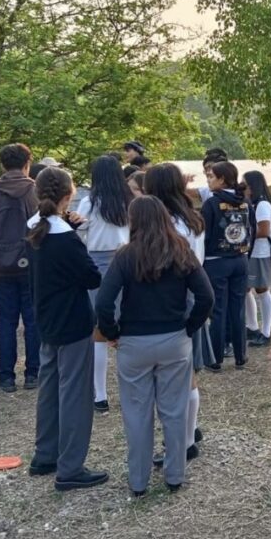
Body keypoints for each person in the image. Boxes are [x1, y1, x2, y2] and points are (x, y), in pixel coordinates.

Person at [95, 196, 214, 497]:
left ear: (134, 221)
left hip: (133, 342)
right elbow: (206, 297)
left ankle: (138, 481)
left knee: (137, 414)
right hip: (175, 340)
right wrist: (189, 327)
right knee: (174, 412)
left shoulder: (125, 256)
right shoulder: (181, 250)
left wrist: (112, 333)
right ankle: (175, 476)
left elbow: (104, 301)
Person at [25, 166, 107, 491]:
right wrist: (74, 233)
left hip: (44, 317)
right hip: (73, 320)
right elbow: (92, 276)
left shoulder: (33, 228)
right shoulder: (65, 238)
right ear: (68, 195)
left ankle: (45, 454)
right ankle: (71, 467)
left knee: (49, 387)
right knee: (74, 392)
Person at [143, 163, 209, 457]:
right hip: (194, 291)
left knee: (180, 376)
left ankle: (184, 442)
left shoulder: (168, 222)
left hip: (175, 296)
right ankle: (189, 433)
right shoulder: (190, 216)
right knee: (187, 371)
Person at [76, 155, 133, 414]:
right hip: (126, 261)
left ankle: (100, 395)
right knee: (126, 327)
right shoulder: (128, 200)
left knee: (99, 329)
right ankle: (130, 388)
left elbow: (78, 229)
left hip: (97, 263)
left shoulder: (90, 201)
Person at [0, 143, 40, 393]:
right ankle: (33, 374)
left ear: (2, 164)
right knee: (33, 320)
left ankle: (5, 377)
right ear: (27, 162)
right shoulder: (35, 190)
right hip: (30, 262)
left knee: (5, 322)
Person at [201, 161, 251, 371]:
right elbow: (252, 230)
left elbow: (204, 233)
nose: (208, 179)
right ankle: (241, 356)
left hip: (216, 260)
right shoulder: (244, 202)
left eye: (211, 176)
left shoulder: (212, 204)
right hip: (240, 258)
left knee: (218, 310)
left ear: (222, 179)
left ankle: (216, 358)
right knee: (237, 308)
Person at [243, 171, 271, 347]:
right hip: (252, 252)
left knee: (262, 290)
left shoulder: (262, 205)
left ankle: (266, 332)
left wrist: (245, 235)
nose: (243, 188)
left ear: (253, 186)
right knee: (246, 289)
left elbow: (264, 230)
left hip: (260, 253)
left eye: (245, 185)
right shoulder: (253, 204)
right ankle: (252, 327)